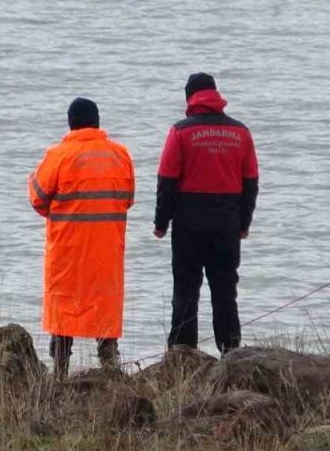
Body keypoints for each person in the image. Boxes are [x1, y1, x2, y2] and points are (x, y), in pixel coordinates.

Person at [29, 98, 135, 377]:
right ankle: (111, 371)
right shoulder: (120, 155)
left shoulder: (59, 154)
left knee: (65, 313)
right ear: (97, 122)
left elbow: (37, 198)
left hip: (68, 249)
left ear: (70, 123)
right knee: (105, 308)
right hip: (106, 250)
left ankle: (60, 374)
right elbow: (128, 199)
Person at [153, 73, 258, 353]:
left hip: (188, 225)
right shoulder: (241, 132)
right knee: (225, 294)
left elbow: (167, 180)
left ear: (190, 98)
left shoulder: (180, 131)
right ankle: (232, 354)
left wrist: (161, 223)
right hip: (227, 225)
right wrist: (244, 223)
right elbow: (250, 183)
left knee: (186, 292)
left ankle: (182, 358)